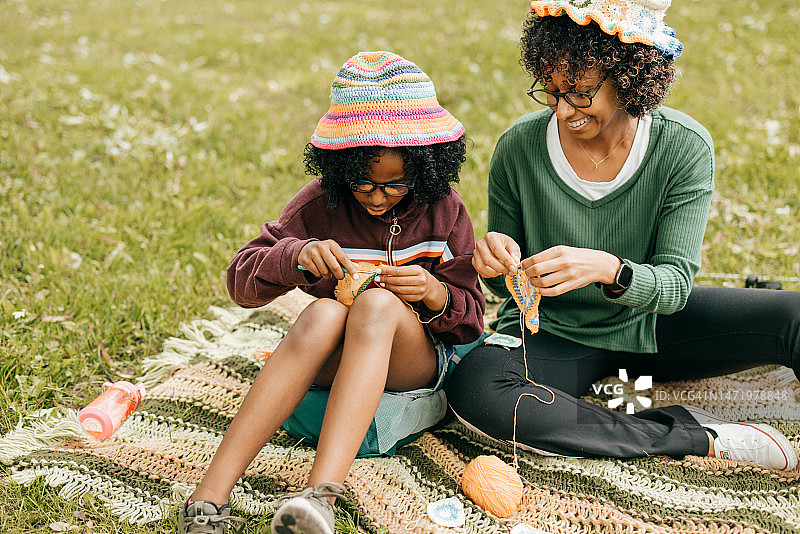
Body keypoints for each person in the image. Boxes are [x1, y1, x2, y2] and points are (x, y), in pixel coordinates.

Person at [446, 1, 799, 473]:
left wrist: (610, 269)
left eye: (581, 93)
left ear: (629, 76)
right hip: (554, 338)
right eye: (550, 91)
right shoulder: (519, 148)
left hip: (652, 333)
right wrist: (494, 263)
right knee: (477, 388)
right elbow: (510, 286)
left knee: (794, 316)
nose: (562, 109)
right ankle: (694, 436)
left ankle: (608, 400)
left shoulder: (683, 146)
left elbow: (674, 287)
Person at [178, 51, 485, 534]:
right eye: (362, 182)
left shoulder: (443, 211)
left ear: (425, 168)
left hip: (411, 360)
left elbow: (472, 321)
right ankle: (208, 500)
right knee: (321, 314)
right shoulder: (320, 204)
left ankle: (321, 497)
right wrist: (296, 256)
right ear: (337, 167)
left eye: (395, 185)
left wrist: (432, 293)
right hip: (337, 355)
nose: (378, 198)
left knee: (378, 305)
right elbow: (241, 283)